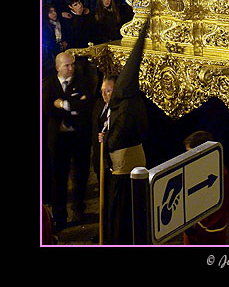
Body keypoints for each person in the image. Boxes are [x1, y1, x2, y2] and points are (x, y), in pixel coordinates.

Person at [104, 20, 150, 244]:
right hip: (134, 161)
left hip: (123, 170)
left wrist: (106, 141)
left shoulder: (124, 107)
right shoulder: (134, 101)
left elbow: (116, 138)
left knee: (121, 213)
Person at [43, 51, 94, 231]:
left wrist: (63, 104)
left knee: (80, 176)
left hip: (79, 137)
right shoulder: (48, 85)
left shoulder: (83, 81)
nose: (71, 68)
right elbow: (47, 109)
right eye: (67, 65)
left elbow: (86, 105)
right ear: (58, 67)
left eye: (73, 64)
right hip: (59, 140)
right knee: (59, 178)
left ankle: (79, 208)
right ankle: (60, 216)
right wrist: (74, 105)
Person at [182, 130, 229, 245]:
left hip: (210, 233)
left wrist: (197, 226)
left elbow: (219, 207)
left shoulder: (221, 173)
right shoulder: (193, 169)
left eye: (190, 152)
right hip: (193, 232)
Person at [92, 76, 115, 243]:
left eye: (108, 91)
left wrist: (107, 137)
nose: (105, 95)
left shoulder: (120, 109)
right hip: (99, 158)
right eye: (102, 92)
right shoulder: (99, 105)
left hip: (113, 161)